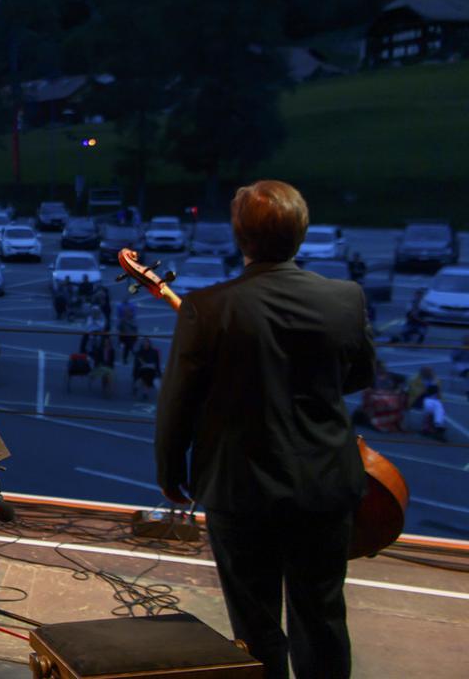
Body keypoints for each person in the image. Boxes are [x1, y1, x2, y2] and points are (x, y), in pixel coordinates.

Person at [156, 180, 375, 679]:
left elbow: (177, 404)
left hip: (240, 487)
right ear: (301, 233)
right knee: (321, 617)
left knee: (253, 624)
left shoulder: (206, 308)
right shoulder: (345, 298)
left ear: (240, 237)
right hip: (322, 484)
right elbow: (359, 377)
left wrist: (171, 472)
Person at [116, 296, 139, 364]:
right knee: (127, 342)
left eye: (129, 312)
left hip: (131, 336)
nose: (128, 313)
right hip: (125, 336)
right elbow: (119, 328)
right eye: (126, 312)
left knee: (128, 343)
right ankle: (132, 352)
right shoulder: (122, 321)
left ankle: (126, 356)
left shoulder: (133, 320)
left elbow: (135, 328)